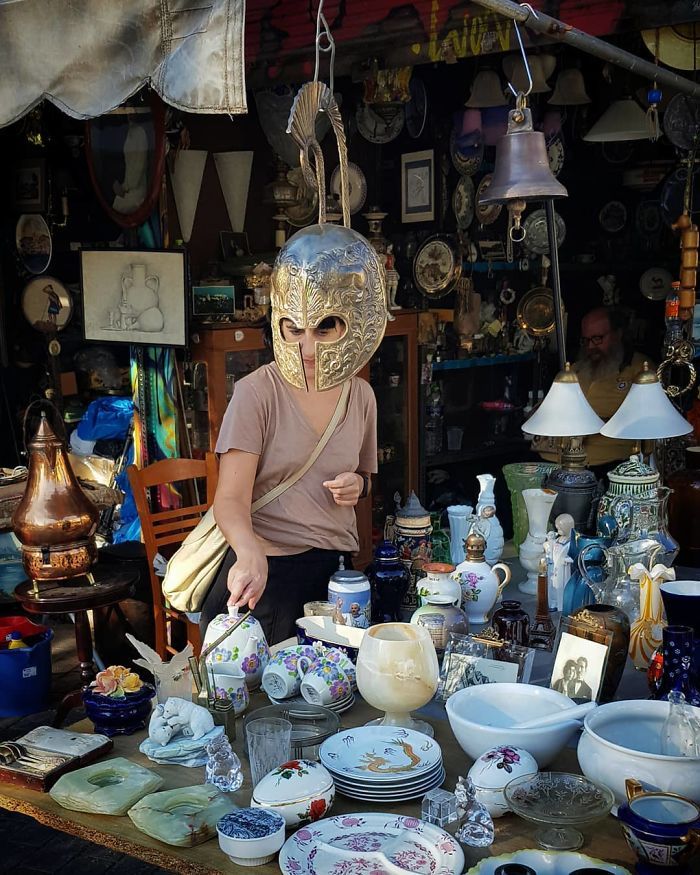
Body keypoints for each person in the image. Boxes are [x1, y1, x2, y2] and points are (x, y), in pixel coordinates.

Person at [199, 221, 387, 645]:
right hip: (267, 572)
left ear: (353, 325)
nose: (308, 347)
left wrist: (357, 484)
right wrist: (248, 553)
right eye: (295, 329)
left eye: (325, 328)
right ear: (278, 324)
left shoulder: (361, 396)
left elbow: (366, 478)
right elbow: (229, 500)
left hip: (336, 575)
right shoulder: (256, 393)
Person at [535, 306, 648, 472]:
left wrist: (593, 423)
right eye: (586, 340)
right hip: (553, 460)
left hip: (607, 464)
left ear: (618, 334)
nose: (591, 346)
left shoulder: (640, 371)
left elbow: (647, 421)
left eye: (597, 338)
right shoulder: (574, 370)